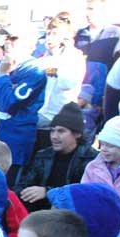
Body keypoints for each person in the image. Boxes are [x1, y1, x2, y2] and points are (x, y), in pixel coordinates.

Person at [0, 26, 47, 186]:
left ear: (30, 45)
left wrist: (3, 75)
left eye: (14, 39)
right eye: (6, 38)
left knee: (5, 189)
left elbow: (10, 105)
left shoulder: (34, 72)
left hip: (13, 142)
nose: (8, 43)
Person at [15, 102, 97, 211]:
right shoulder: (43, 155)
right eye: (52, 131)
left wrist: (48, 192)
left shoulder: (90, 160)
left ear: (77, 134)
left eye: (61, 131)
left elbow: (82, 195)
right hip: (39, 213)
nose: (54, 136)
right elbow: (24, 184)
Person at [35, 15, 87, 150]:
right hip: (38, 119)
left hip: (59, 120)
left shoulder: (74, 57)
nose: (50, 37)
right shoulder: (42, 59)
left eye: (55, 33)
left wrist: (66, 53)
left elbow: (67, 82)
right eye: (48, 33)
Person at [82, 115, 120, 237]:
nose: (104, 149)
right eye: (103, 144)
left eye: (111, 145)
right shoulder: (93, 167)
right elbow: (85, 194)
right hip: (97, 225)